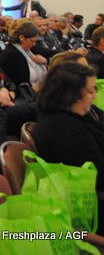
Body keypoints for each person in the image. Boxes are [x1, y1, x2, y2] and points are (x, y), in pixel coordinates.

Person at [33, 62, 104, 214]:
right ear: (71, 94)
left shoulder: (72, 115)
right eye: (91, 91)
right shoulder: (64, 128)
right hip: (90, 206)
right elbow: (98, 176)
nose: (95, 96)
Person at [0, 21, 47, 90]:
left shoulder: (27, 50)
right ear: (22, 38)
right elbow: (20, 82)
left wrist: (44, 62)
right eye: (32, 41)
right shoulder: (11, 55)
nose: (34, 44)